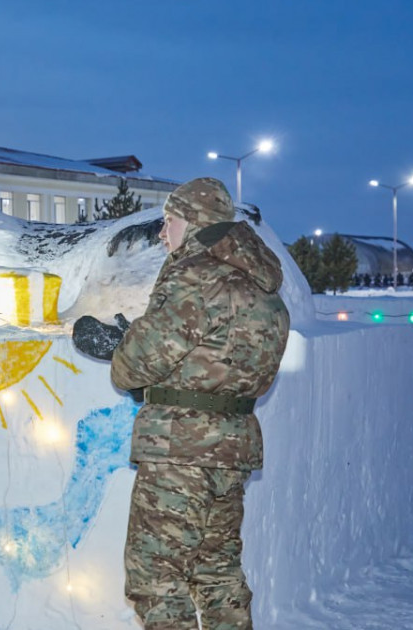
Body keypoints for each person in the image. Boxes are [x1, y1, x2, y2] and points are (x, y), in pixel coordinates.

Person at [73, 177, 290, 629]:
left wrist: (122, 345)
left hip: (181, 452)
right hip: (231, 452)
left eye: (168, 221)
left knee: (157, 578)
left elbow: (136, 364)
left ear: (192, 222)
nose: (161, 232)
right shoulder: (261, 284)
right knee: (217, 572)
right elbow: (221, 366)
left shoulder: (194, 274)